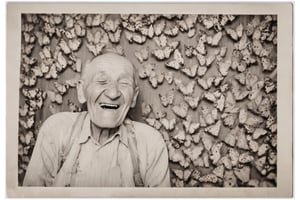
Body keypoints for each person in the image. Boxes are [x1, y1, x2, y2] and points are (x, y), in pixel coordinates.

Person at [23, 53, 170, 187]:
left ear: (134, 97)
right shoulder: (57, 130)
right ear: (81, 91)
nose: (113, 93)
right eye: (102, 81)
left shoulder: (150, 142)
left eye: (124, 83)